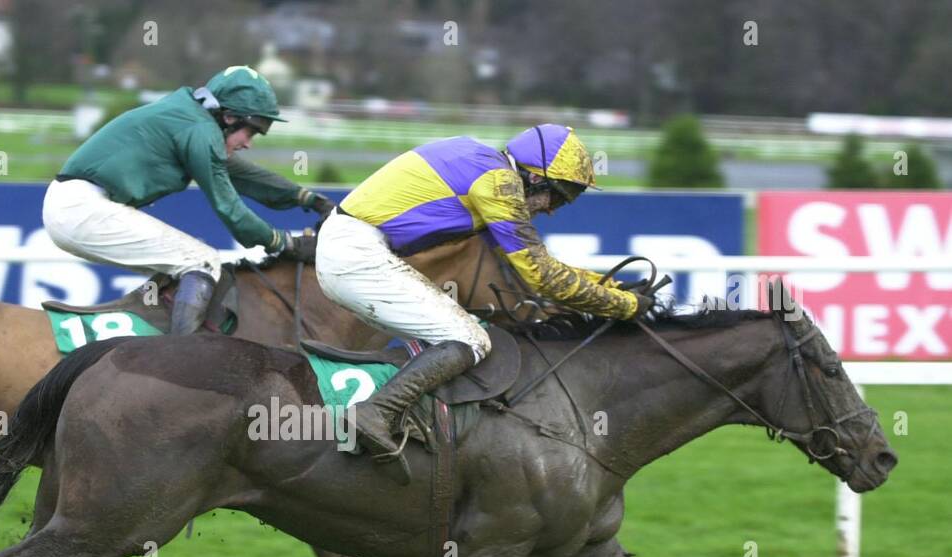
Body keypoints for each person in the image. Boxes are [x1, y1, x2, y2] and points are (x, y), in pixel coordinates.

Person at [315, 124, 651, 459]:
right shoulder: (498, 181)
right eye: (559, 196)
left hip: (353, 247)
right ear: (536, 178)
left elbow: (536, 262)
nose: (551, 209)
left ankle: (410, 422)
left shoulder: (483, 165)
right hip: (356, 254)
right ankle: (376, 413)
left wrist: (612, 285)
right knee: (471, 340)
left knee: (453, 336)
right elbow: (542, 276)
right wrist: (622, 305)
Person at [43, 65, 334, 334]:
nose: (248, 143)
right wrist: (283, 242)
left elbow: (243, 175)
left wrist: (308, 199)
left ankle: (153, 341)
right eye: (251, 131)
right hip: (82, 209)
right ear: (230, 117)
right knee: (202, 260)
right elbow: (230, 210)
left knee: (183, 266)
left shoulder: (192, 119)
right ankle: (184, 356)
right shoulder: (199, 130)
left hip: (77, 206)